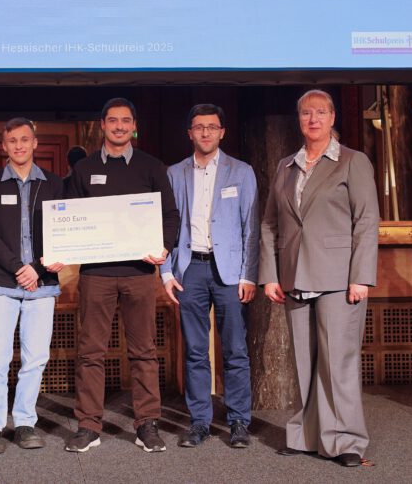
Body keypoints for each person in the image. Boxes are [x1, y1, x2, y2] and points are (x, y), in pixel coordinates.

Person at [258, 89, 378, 468]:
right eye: (306, 113)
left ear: (332, 118)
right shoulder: (286, 166)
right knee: (304, 361)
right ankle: (307, 436)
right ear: (299, 119)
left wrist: (361, 277)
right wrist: (269, 275)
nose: (313, 119)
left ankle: (347, 442)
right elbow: (269, 224)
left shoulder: (352, 161)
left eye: (320, 112)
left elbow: (366, 221)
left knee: (337, 363)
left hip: (339, 278)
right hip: (294, 276)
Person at [61, 97, 180, 453]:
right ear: (102, 125)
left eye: (126, 121)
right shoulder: (83, 169)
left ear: (134, 126)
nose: (119, 126)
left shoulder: (151, 166)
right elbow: (68, 217)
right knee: (90, 352)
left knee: (144, 351)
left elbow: (170, 215)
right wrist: (61, 247)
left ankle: (147, 424)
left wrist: (164, 247)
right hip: (96, 274)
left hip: (139, 273)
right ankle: (88, 425)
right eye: (113, 120)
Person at [162, 104, 258, 448]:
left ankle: (238, 422)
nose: (206, 132)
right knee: (195, 351)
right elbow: (166, 226)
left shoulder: (241, 171)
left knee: (235, 350)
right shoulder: (174, 173)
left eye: (212, 127)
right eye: (199, 127)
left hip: (230, 272)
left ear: (222, 132)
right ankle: (199, 422)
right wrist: (165, 272)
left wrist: (249, 275)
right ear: (190, 133)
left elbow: (251, 228)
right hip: (190, 269)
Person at [0, 118, 64, 454]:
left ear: (35, 143)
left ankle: (25, 422)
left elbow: (62, 232)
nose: (19, 146)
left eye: (25, 140)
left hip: (43, 284)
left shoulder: (54, 184)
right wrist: (18, 268)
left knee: (35, 358)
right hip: (3, 283)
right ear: (4, 146)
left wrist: (36, 269)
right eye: (12, 141)